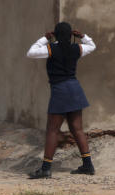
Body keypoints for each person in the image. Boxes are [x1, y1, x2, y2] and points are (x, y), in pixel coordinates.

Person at [25, 22, 97, 178]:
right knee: (77, 129)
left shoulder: (51, 49)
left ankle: (45, 168)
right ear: (71, 35)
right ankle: (88, 165)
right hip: (75, 89)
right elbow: (92, 46)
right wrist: (82, 36)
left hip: (60, 90)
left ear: (55, 35)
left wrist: (44, 39)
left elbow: (31, 53)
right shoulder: (76, 48)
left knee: (52, 130)